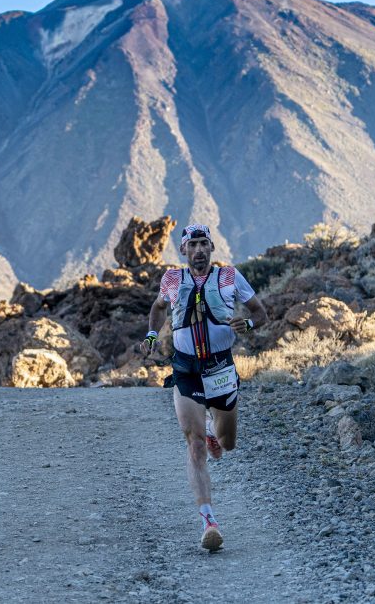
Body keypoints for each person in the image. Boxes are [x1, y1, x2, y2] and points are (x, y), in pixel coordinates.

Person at [138, 223, 267, 552]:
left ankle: (214, 429)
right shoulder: (171, 280)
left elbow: (260, 312)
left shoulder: (229, 277)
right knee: (193, 444)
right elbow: (157, 308)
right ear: (183, 250)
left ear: (211, 248)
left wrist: (248, 323)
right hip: (185, 368)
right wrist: (152, 335)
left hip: (221, 367)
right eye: (192, 244)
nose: (197, 249)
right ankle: (208, 521)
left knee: (229, 443)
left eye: (203, 243)